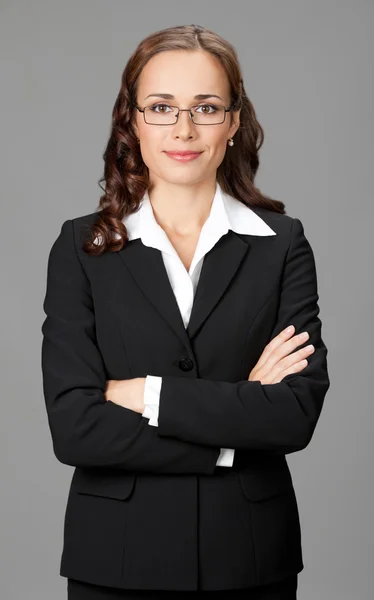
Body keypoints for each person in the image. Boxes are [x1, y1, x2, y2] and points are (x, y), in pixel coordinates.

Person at [41, 24, 330, 600]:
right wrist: (235, 423)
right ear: (133, 122)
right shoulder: (82, 249)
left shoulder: (282, 244)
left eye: (206, 107)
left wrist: (145, 393)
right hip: (116, 561)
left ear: (234, 121)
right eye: (161, 107)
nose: (184, 128)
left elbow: (293, 415)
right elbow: (76, 430)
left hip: (249, 559)